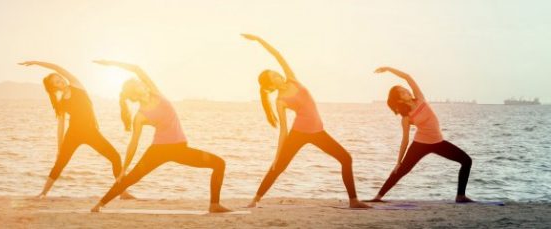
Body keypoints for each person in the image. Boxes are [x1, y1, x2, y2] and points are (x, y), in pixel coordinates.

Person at [241, 34, 371, 208]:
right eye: (274, 78)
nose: (278, 76)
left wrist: (259, 40)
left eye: (276, 74)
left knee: (346, 159)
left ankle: (354, 201)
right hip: (298, 134)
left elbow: (278, 55)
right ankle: (255, 200)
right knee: (278, 167)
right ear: (270, 86)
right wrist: (277, 155)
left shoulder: (292, 78)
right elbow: (284, 131)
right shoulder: (280, 101)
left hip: (318, 132)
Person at [89, 60, 232, 213]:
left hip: (180, 149)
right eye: (138, 84)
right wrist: (123, 169)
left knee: (219, 164)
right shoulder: (140, 116)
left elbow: (137, 68)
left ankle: (214, 205)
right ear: (135, 92)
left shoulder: (155, 91)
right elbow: (133, 143)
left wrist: (111, 63)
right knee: (131, 178)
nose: (142, 83)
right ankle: (99, 205)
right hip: (158, 150)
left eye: (141, 82)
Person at [18, 61, 134, 199]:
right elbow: (60, 126)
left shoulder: (76, 84)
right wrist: (59, 148)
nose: (60, 80)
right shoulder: (60, 102)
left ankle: (122, 192)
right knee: (60, 163)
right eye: (56, 82)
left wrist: (36, 63)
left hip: (91, 132)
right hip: (73, 134)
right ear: (54, 88)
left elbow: (58, 66)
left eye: (59, 78)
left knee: (115, 157)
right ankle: (43, 193)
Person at [367, 66, 474, 203]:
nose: (406, 90)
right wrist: (398, 162)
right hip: (420, 144)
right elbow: (405, 140)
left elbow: (407, 77)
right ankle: (377, 197)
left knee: (466, 161)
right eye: (402, 92)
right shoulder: (406, 117)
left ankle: (460, 196)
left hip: (438, 142)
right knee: (401, 171)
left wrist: (388, 69)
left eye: (404, 89)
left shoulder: (419, 98)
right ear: (399, 100)